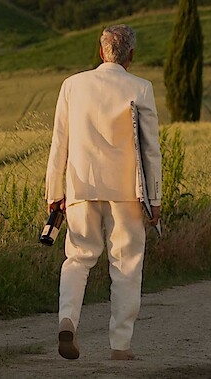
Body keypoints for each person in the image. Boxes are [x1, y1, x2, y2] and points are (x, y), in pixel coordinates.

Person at [45, 25, 161, 361]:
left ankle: (68, 318)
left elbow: (59, 143)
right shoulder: (141, 88)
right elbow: (150, 148)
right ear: (131, 56)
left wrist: (55, 190)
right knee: (126, 264)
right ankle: (120, 346)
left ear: (101, 51)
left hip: (80, 186)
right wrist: (155, 198)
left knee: (78, 258)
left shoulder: (72, 86)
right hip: (126, 191)